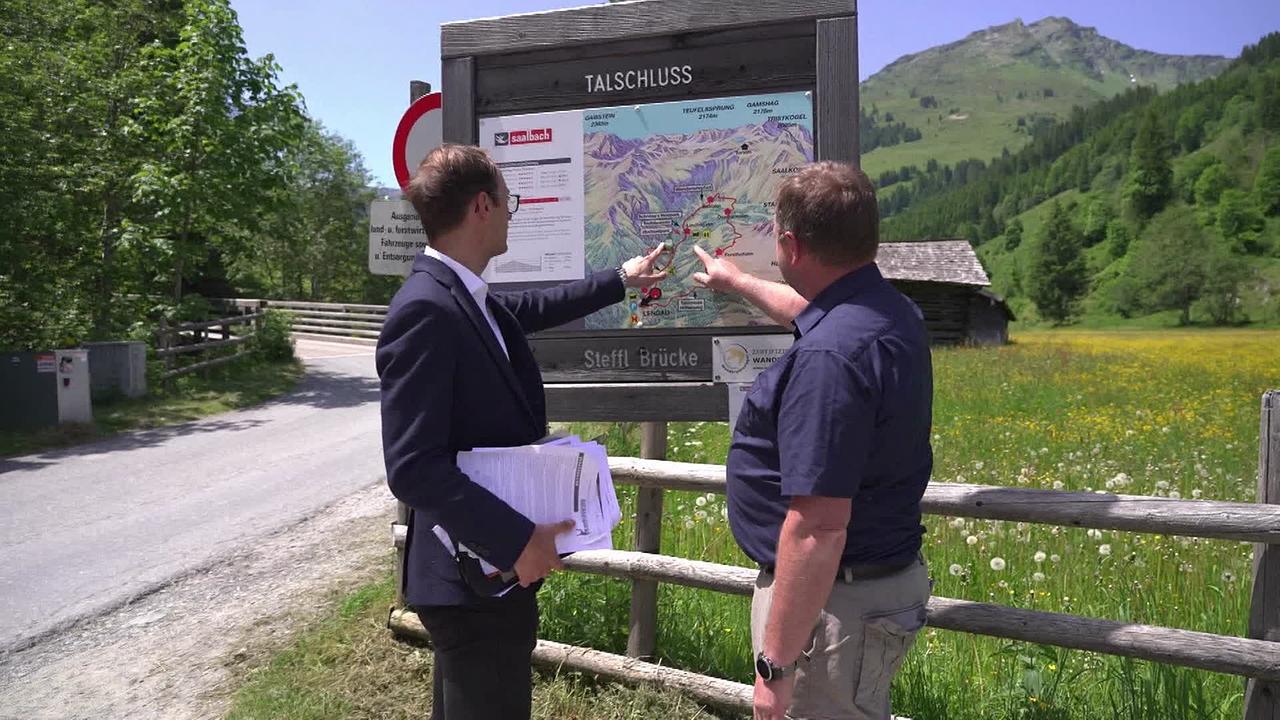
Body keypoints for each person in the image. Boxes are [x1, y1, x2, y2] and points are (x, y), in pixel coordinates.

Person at [376, 143, 665, 720]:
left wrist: (621, 279)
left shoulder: (464, 295)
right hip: (473, 573)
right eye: (510, 201)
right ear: (483, 206)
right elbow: (411, 465)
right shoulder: (426, 309)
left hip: (484, 576)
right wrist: (516, 540)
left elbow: (534, 306)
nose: (514, 212)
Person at [692, 161, 933, 720]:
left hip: (831, 609)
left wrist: (774, 668)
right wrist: (737, 282)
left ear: (791, 245)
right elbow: (812, 313)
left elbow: (818, 528)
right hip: (865, 590)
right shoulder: (889, 312)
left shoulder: (829, 360)